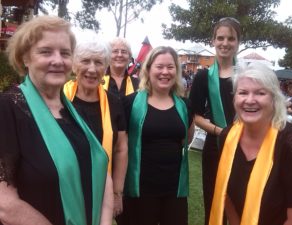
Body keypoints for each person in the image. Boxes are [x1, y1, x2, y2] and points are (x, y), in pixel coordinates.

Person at [0, 16, 113, 225]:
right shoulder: (7, 109)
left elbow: (101, 169)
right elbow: (5, 205)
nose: (58, 60)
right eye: (45, 51)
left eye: (65, 53)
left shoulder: (74, 111)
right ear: (25, 58)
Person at [210, 62, 292, 225]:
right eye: (243, 92)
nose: (250, 100)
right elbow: (226, 192)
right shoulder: (227, 136)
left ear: (274, 99)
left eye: (260, 93)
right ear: (235, 98)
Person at [122, 46, 194, 225]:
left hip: (174, 190)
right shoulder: (129, 103)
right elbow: (120, 147)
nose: (165, 72)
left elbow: (187, 139)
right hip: (140, 189)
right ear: (148, 69)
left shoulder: (185, 105)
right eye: (159, 66)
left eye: (170, 67)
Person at [63, 41, 128, 218]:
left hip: (101, 188)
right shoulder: (59, 98)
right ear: (75, 65)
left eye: (98, 62)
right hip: (62, 186)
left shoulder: (114, 103)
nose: (92, 69)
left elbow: (121, 149)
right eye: (85, 61)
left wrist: (116, 193)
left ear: (106, 67)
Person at [189, 17, 241, 225]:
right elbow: (195, 115)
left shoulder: (246, 73)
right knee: (214, 200)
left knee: (241, 200)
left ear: (238, 42)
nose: (225, 43)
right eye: (220, 38)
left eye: (231, 38)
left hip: (245, 146)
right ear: (213, 40)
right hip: (215, 146)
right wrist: (222, 132)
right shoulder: (203, 77)